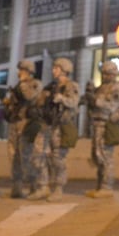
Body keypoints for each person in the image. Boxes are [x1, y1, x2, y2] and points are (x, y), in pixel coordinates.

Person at [28, 56, 80, 200]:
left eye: (57, 68)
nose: (54, 71)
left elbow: (74, 102)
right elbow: (40, 102)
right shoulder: (51, 86)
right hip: (47, 125)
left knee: (58, 158)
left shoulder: (71, 86)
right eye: (54, 68)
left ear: (64, 70)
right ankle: (43, 186)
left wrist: (61, 98)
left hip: (60, 126)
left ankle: (58, 188)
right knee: (38, 154)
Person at [85, 60, 119, 198]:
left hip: (107, 124)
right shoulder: (102, 88)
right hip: (97, 123)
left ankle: (106, 186)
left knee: (105, 156)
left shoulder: (116, 88)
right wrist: (90, 95)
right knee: (98, 155)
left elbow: (112, 106)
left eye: (108, 74)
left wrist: (95, 100)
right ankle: (100, 185)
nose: (105, 76)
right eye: (103, 74)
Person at [1, 59, 42, 198]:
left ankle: (34, 187)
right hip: (14, 124)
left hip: (26, 124)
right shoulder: (17, 86)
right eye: (20, 70)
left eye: (23, 70)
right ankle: (16, 188)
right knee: (13, 157)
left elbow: (30, 96)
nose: (20, 73)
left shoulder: (34, 84)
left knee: (27, 157)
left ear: (30, 72)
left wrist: (24, 84)